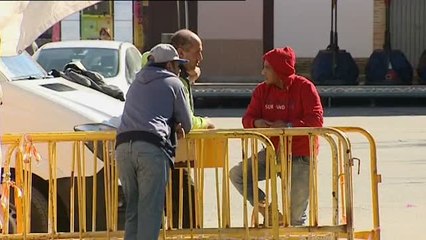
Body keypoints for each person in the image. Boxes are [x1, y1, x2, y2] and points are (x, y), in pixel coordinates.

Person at [229, 46, 324, 226]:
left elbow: (316, 120)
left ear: (280, 70)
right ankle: (272, 213)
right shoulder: (261, 91)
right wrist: (256, 123)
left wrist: (287, 127)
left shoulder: (305, 87)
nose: (262, 72)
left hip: (301, 156)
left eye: (267, 68)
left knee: (295, 218)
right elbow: (248, 118)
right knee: (237, 175)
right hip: (274, 152)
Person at [115, 43, 192, 240]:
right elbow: (187, 123)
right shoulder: (174, 83)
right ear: (169, 65)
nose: (179, 70)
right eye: (177, 65)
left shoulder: (136, 81)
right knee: (150, 211)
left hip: (123, 148)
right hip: (151, 148)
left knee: (133, 210)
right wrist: (174, 124)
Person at [166, 29, 215, 228]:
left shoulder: (162, 71)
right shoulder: (175, 81)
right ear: (180, 53)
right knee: (188, 210)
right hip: (169, 155)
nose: (201, 58)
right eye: (197, 52)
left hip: (165, 154)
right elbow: (185, 120)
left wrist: (190, 75)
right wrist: (207, 123)